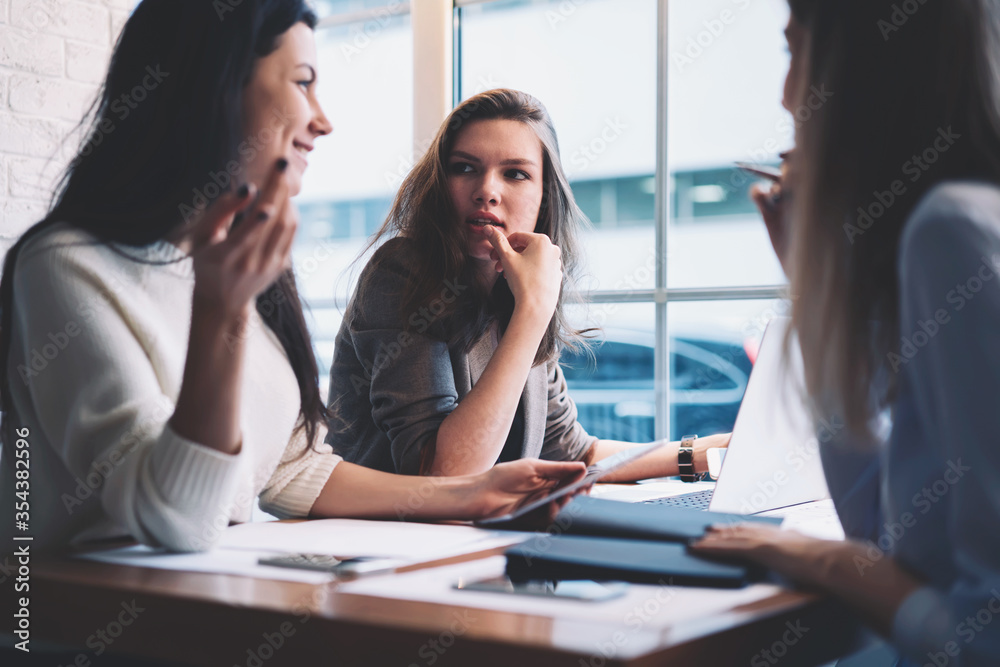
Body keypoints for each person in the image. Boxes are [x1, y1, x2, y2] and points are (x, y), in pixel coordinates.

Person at [0, 0, 588, 554]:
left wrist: (466, 495)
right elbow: (174, 518)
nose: (322, 121)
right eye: (303, 82)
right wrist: (220, 311)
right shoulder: (64, 265)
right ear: (219, 87)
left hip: (206, 605)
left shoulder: (240, 260)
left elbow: (292, 470)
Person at [690, 1, 1000, 665]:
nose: (787, 91)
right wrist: (816, 279)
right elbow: (886, 533)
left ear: (864, 69)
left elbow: (984, 637)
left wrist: (818, 559)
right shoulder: (955, 223)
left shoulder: (953, 231)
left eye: (794, 51)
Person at [327, 89, 729, 479]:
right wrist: (532, 312)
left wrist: (700, 452)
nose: (487, 190)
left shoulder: (514, 289)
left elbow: (573, 451)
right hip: (386, 542)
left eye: (515, 174)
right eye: (464, 168)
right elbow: (442, 471)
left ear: (545, 199)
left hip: (478, 537)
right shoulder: (401, 271)